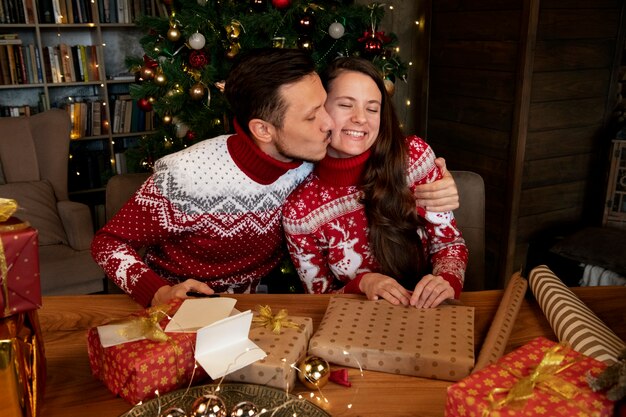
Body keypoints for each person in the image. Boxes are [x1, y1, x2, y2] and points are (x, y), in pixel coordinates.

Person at [92, 49, 458, 308]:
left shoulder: (306, 162)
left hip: (254, 309)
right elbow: (107, 243)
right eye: (315, 114)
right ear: (264, 130)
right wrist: (156, 291)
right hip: (179, 309)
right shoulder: (187, 176)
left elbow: (371, 170)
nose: (332, 125)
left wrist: (440, 181)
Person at [282, 57, 467, 309]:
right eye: (346, 105)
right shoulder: (301, 212)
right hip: (354, 329)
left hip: (426, 313)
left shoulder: (413, 158)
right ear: (320, 111)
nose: (360, 118)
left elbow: (449, 243)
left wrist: (445, 280)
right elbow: (318, 298)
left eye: (372, 108)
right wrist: (362, 283)